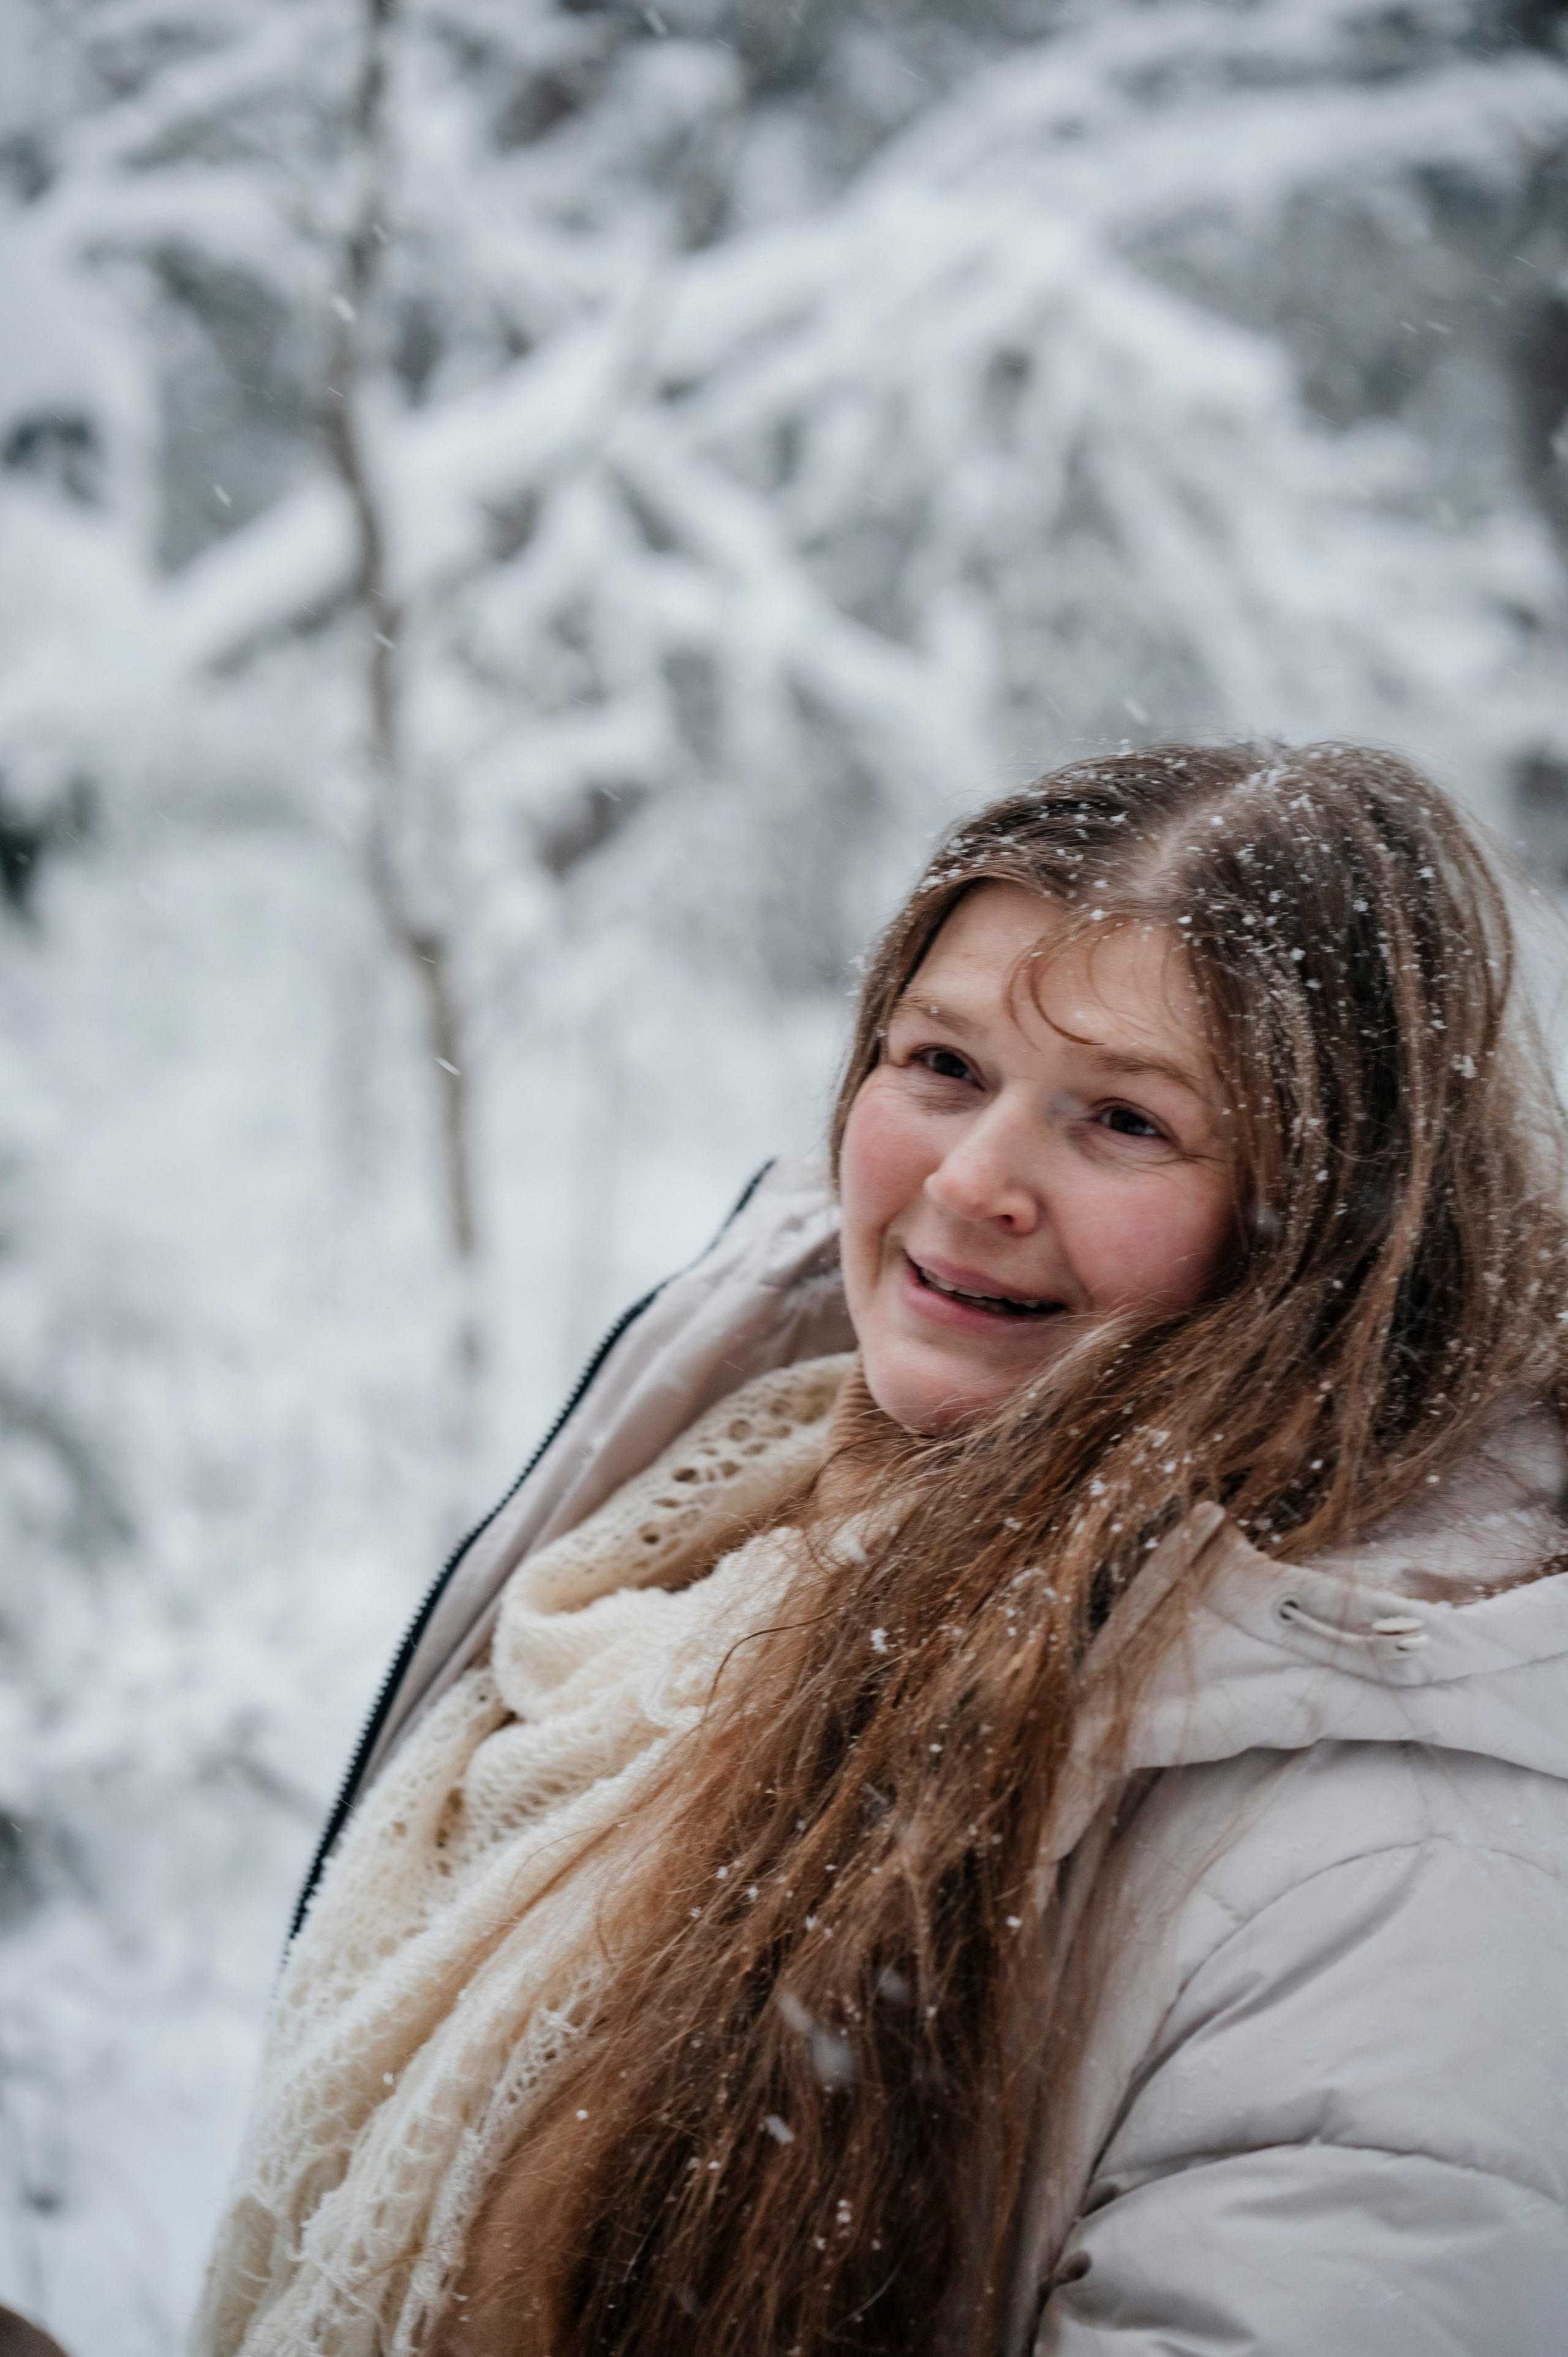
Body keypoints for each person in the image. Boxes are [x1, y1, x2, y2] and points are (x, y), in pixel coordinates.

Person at [195, 741, 1568, 2357]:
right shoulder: (722, 1518)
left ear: (1327, 1223)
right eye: (941, 1067)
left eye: (1122, 1119)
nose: (974, 1181)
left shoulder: (1406, 1856)